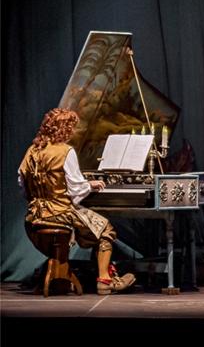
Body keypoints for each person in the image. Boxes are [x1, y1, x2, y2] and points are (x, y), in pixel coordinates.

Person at [18, 108, 136, 295]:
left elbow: (22, 183)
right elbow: (75, 190)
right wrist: (90, 185)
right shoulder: (65, 152)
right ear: (65, 129)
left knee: (92, 226)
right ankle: (105, 281)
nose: (73, 131)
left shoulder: (32, 151)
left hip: (33, 216)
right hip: (60, 213)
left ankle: (64, 279)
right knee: (106, 230)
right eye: (71, 128)